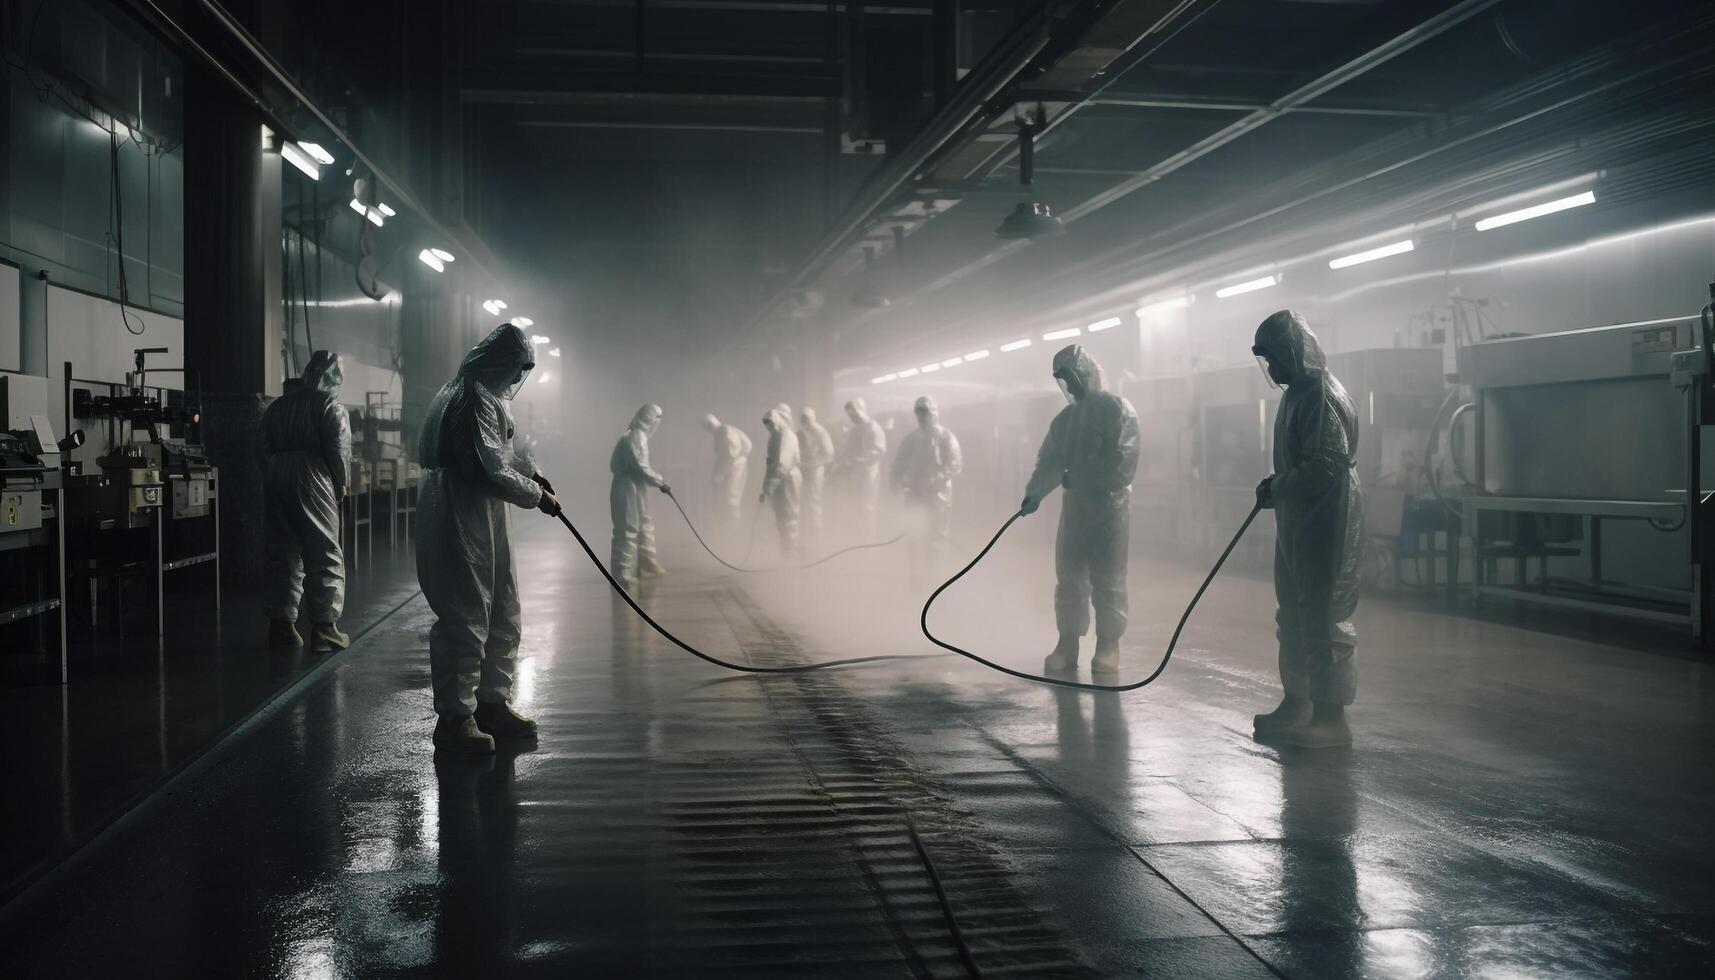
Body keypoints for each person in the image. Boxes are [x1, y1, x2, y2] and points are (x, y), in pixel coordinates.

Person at [417, 323, 556, 755]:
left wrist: (531, 473)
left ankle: (491, 703)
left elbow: (503, 453)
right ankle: (456, 719)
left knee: (502, 607)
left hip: (483, 510)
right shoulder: (470, 395)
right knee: (466, 611)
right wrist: (537, 496)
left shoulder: (484, 396)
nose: (518, 378)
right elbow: (487, 469)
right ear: (498, 361)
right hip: (460, 507)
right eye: (517, 367)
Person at [1250, 310, 1363, 749]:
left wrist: (1279, 486)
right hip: (1300, 517)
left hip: (1326, 518)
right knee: (1293, 613)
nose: (1272, 368)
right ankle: (1297, 703)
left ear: (1293, 351)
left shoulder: (1318, 393)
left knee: (1322, 614)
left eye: (1275, 357)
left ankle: (1331, 718)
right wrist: (1279, 489)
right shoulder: (1296, 394)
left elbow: (1326, 466)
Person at [1020, 345, 1140, 677]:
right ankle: (1067, 643)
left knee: (1108, 579)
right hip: (1074, 512)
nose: (1068, 387)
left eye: (1071, 378)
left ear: (1086, 374)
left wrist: (1079, 477)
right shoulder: (1065, 421)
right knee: (1069, 579)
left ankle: (1108, 645)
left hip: (1110, 512)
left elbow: (1123, 466)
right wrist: (1034, 494)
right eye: (1062, 380)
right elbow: (1049, 462)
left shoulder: (1119, 410)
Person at [257, 350, 352, 653]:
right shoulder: (330, 407)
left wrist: (273, 471)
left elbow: (260, 446)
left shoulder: (278, 407)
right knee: (323, 549)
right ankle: (325, 628)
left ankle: (281, 626)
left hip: (276, 474)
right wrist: (341, 484)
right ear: (333, 377)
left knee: (282, 550)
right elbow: (338, 451)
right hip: (314, 475)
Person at [891, 396, 962, 571]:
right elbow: (899, 462)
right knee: (914, 534)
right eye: (918, 412)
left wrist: (933, 481)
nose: (921, 416)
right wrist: (896, 479)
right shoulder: (912, 439)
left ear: (933, 413)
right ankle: (915, 574)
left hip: (938, 497)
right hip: (914, 494)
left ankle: (934, 576)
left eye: (925, 412)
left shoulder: (946, 437)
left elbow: (954, 464)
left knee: (936, 536)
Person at [611, 404, 672, 585]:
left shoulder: (636, 434)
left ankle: (646, 563)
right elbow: (640, 467)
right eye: (657, 418)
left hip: (635, 485)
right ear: (650, 419)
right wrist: (660, 482)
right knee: (628, 528)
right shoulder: (637, 436)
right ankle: (621, 572)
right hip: (628, 486)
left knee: (644, 523)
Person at [839, 398, 887, 539]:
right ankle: (855, 538)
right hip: (854, 475)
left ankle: (867, 540)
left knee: (867, 508)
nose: (852, 418)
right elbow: (847, 449)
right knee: (854, 507)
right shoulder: (854, 430)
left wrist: (857, 460)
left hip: (868, 475)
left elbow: (879, 451)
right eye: (850, 416)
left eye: (853, 415)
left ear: (861, 411)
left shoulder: (873, 428)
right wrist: (843, 461)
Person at [759, 407, 802, 558]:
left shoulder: (786, 437)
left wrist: (769, 487)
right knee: (780, 515)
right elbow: (771, 464)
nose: (769, 427)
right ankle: (786, 551)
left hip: (788, 478)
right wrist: (766, 487)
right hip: (779, 480)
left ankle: (791, 553)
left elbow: (782, 464)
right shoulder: (775, 437)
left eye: (770, 424)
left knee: (789, 515)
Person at [702, 414, 752, 533]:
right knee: (727, 496)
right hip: (733, 466)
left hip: (735, 466)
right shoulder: (723, 431)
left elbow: (728, 456)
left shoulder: (724, 431)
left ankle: (734, 529)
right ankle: (728, 526)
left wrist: (718, 476)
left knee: (731, 496)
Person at [797, 406, 836, 541]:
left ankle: (817, 536)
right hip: (803, 470)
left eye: (806, 418)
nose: (804, 421)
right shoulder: (801, 432)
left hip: (815, 471)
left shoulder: (820, 432)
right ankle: (805, 534)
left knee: (814, 503)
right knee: (803, 503)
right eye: (803, 418)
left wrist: (812, 464)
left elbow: (829, 455)